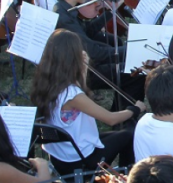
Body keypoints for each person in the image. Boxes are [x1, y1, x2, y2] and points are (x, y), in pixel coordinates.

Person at [29, 29, 143, 174]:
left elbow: (82, 92)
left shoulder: (45, 82)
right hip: (79, 160)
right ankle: (124, 179)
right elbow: (111, 119)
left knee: (119, 135)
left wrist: (82, 73)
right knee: (130, 135)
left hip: (60, 154)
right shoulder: (72, 95)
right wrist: (135, 109)